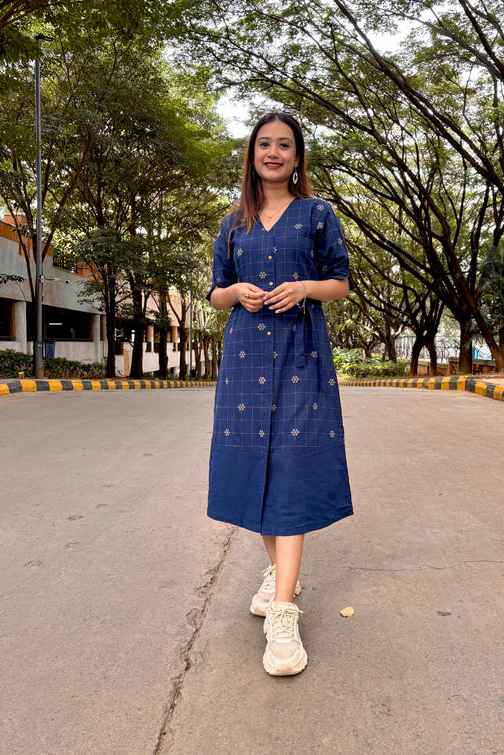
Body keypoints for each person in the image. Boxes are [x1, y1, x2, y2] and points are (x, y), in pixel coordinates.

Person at [207, 110, 353, 676]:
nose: (273, 152)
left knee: (290, 465)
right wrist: (235, 293)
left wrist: (305, 288)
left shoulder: (318, 214)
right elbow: (216, 292)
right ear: (252, 154)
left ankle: (284, 611)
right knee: (259, 465)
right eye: (264, 143)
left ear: (297, 157)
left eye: (284, 145)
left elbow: (340, 283)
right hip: (245, 358)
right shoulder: (233, 224)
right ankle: (278, 573)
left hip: (301, 354)